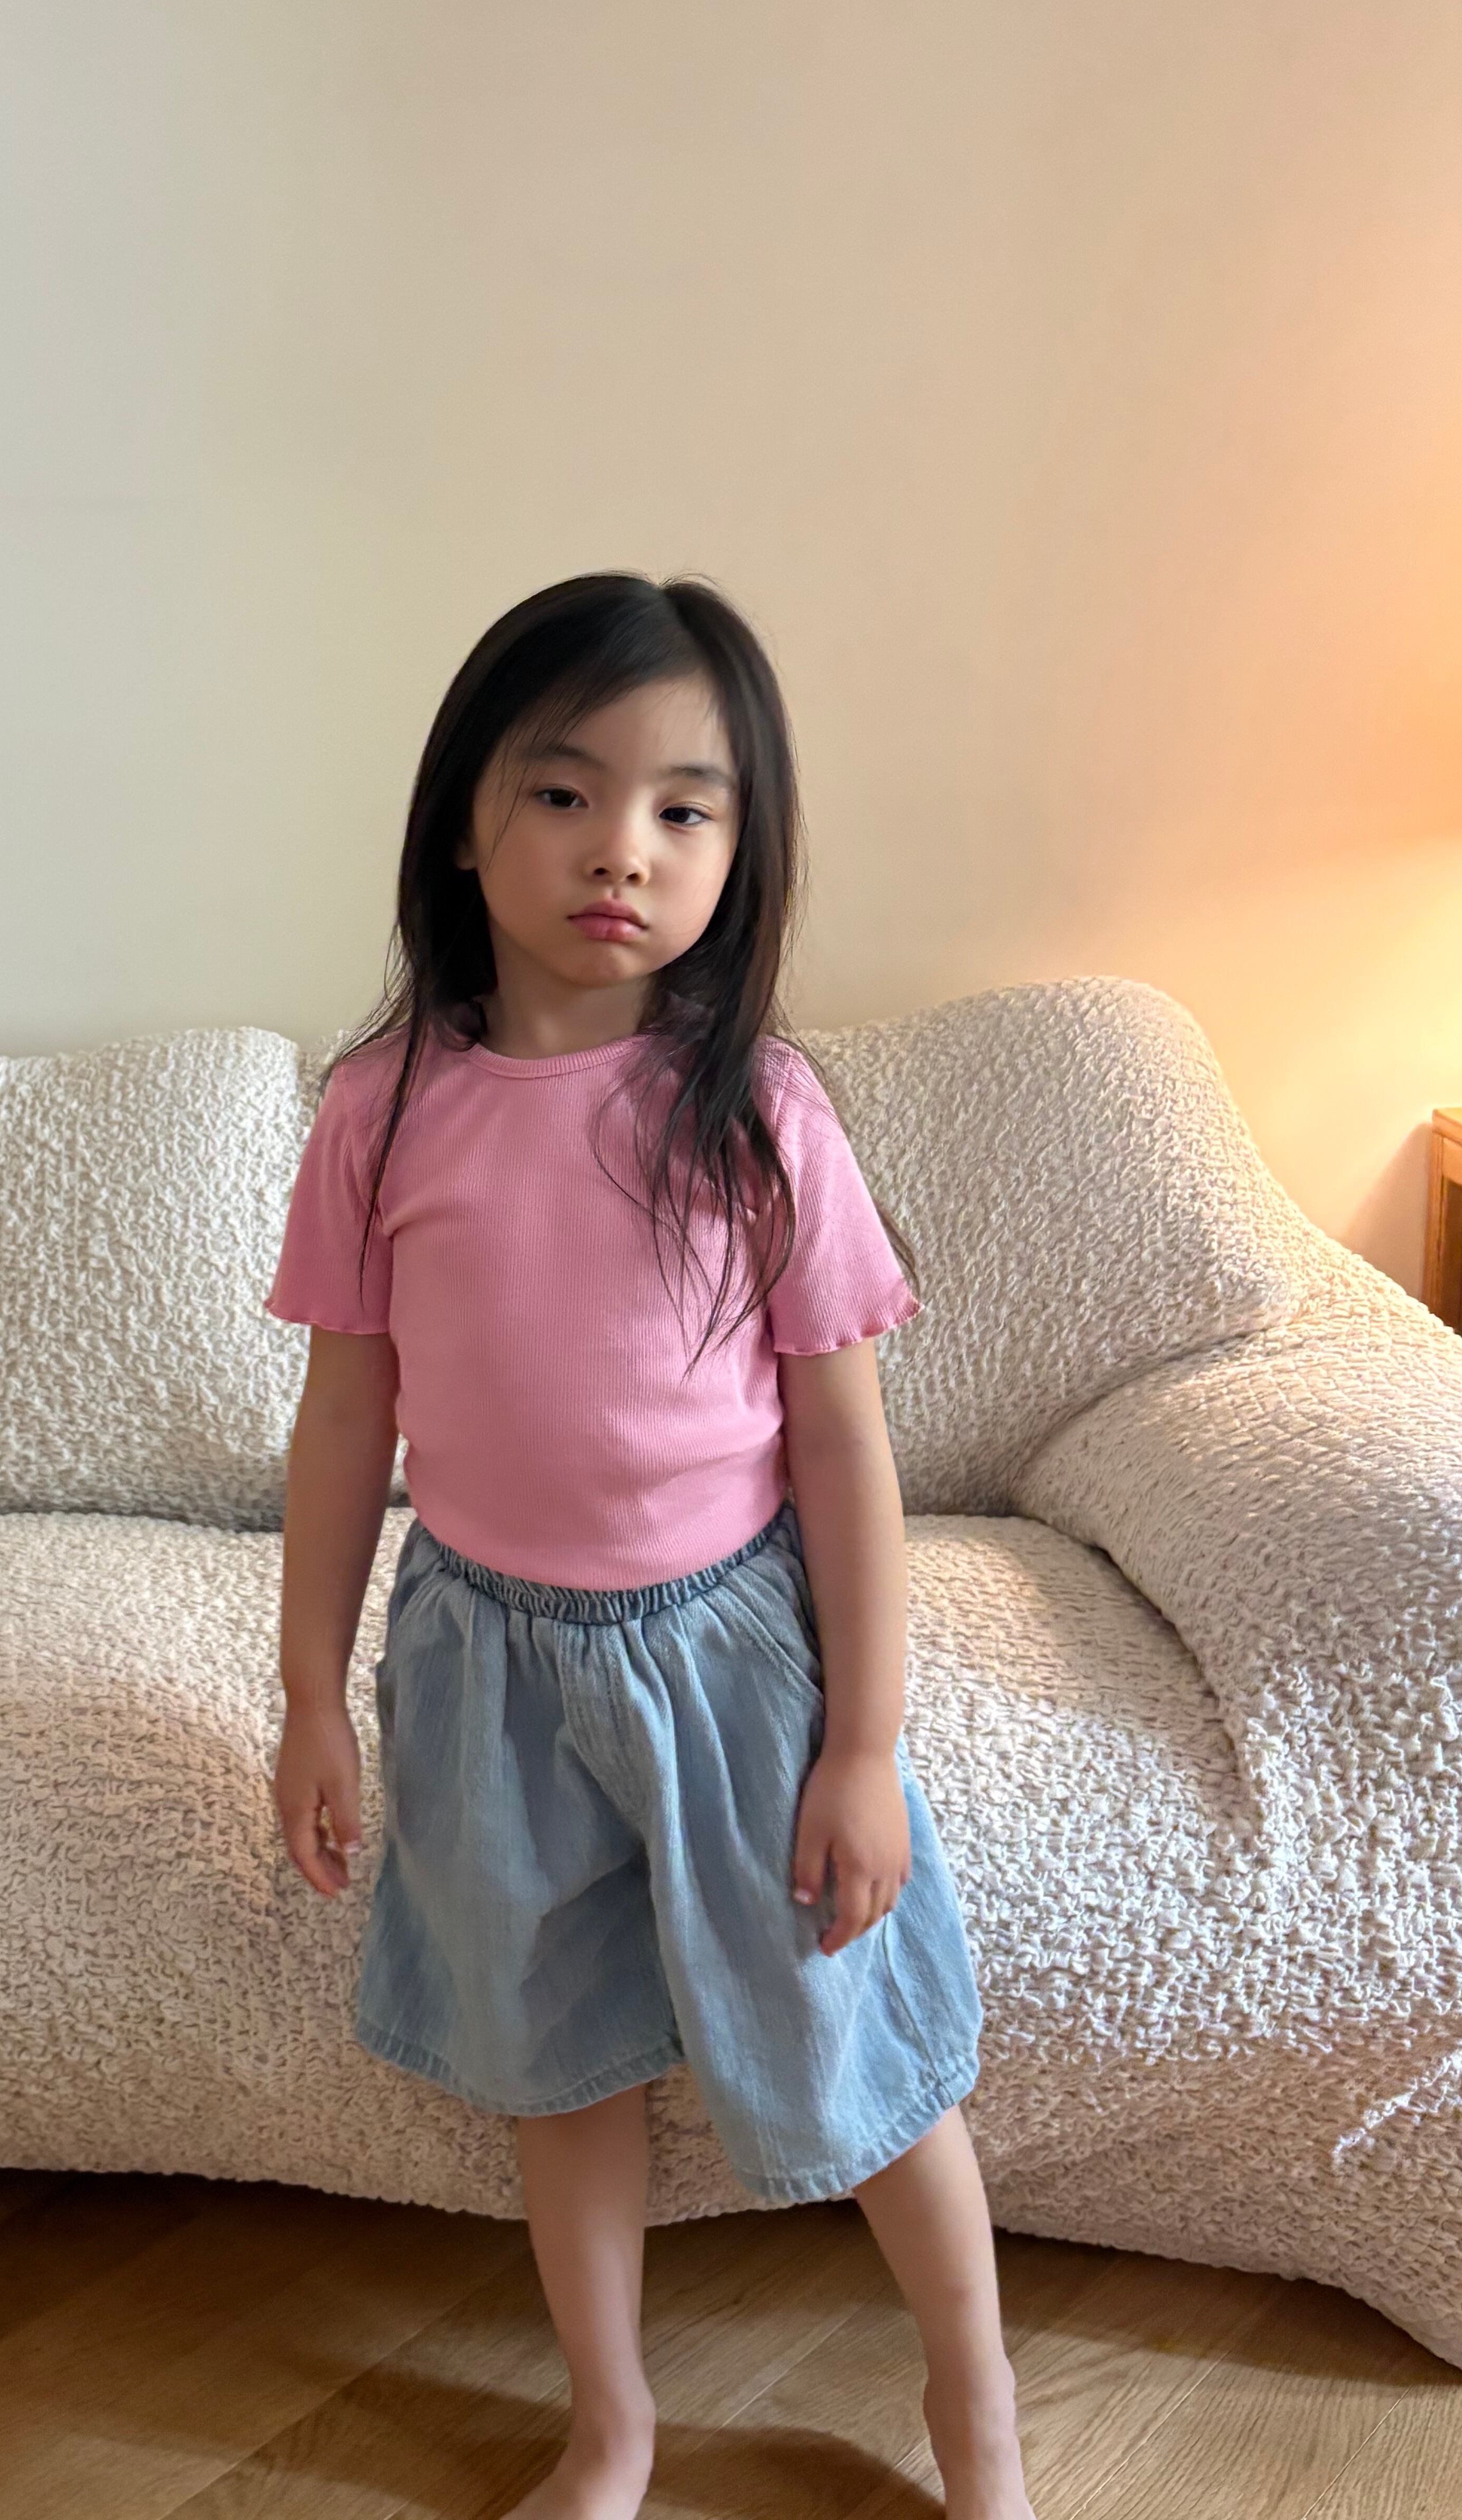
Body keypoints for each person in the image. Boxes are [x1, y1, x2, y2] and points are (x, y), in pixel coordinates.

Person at [265, 572, 1034, 2520]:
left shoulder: (760, 1115)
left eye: (684, 808)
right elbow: (345, 1422)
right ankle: (610, 2425)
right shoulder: (381, 1111)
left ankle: (978, 2418)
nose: (622, 847)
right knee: (560, 2063)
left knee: (852, 2047)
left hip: (727, 1661)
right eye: (564, 791)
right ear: (465, 821)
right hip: (481, 1663)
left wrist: (860, 1743)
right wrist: (310, 1700)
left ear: (736, 853)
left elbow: (842, 1446)